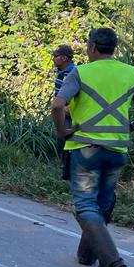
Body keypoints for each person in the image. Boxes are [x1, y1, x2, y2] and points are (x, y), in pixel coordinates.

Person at [52, 27, 134, 267]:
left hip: (85, 149)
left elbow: (58, 105)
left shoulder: (80, 72)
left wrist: (62, 132)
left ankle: (110, 259)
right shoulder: (132, 73)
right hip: (117, 150)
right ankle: (87, 255)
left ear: (92, 47)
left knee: (84, 205)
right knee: (101, 203)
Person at [51, 44, 77, 181]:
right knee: (62, 142)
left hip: (70, 113)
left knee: (67, 142)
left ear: (64, 58)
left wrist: (65, 109)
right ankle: (65, 171)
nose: (53, 59)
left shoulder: (72, 74)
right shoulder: (62, 72)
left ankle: (69, 173)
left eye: (55, 56)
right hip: (63, 111)